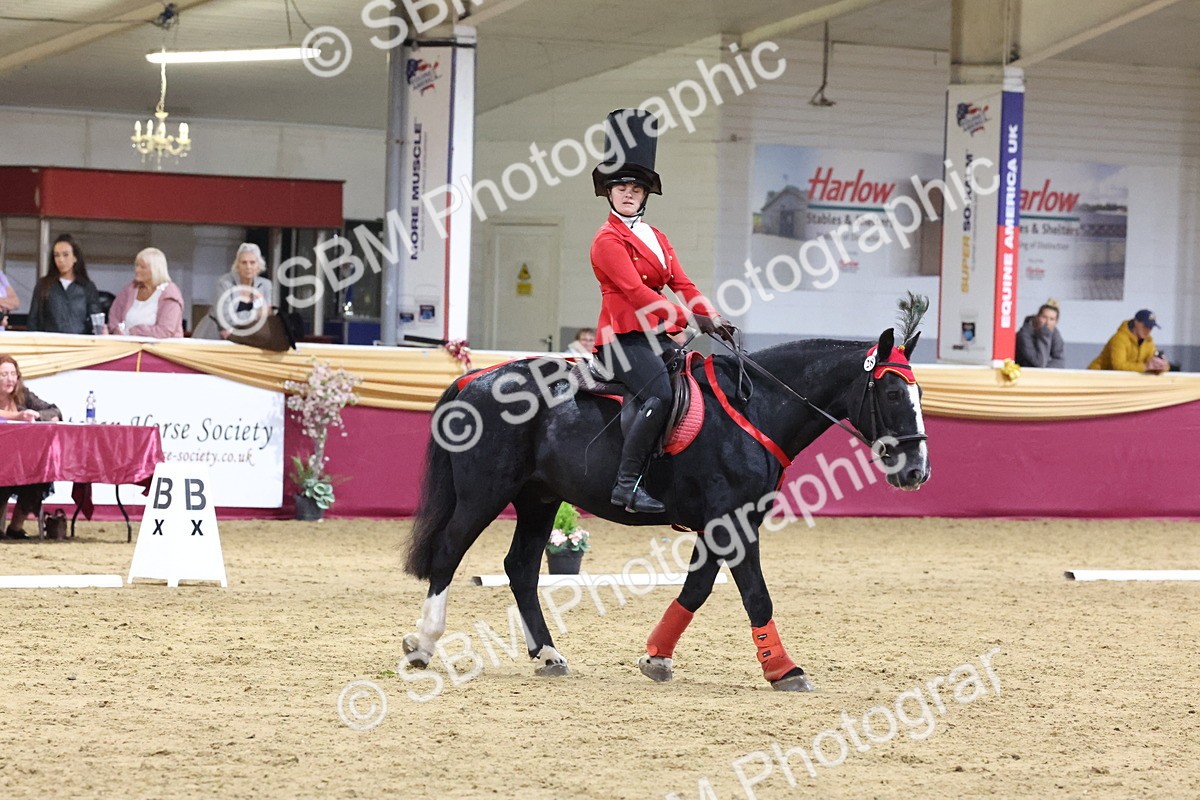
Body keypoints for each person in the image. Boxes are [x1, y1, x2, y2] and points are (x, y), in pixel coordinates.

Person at [589, 108, 734, 514]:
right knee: (658, 394)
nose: (628, 193)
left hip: (652, 336)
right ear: (609, 193)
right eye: (620, 187)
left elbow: (682, 284)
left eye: (635, 187)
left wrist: (712, 316)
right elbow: (635, 292)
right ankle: (626, 485)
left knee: (701, 382)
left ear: (645, 194)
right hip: (620, 341)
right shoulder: (606, 240)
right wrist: (685, 319)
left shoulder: (658, 237)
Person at [0, 356, 62, 539]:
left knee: (38, 477)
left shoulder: (24, 395)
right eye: (4, 374)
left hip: (21, 459)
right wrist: (17, 416)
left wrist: (37, 415)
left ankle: (16, 528)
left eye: (13, 374)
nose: (10, 379)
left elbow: (55, 411)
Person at [28, 233, 103, 334]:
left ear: (75, 258)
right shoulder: (44, 285)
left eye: (66, 255)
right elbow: (33, 320)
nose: (61, 260)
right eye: (56, 255)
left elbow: (96, 319)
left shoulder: (87, 287)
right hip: (50, 344)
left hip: (80, 344)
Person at [194, 243, 273, 340]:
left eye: (252, 262)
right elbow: (226, 319)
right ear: (237, 265)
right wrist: (256, 314)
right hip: (214, 337)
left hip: (246, 338)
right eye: (244, 262)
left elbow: (266, 316)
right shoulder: (224, 283)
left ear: (259, 266)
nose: (248, 267)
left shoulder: (265, 285)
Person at [106, 247, 185, 338]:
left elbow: (165, 331)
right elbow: (114, 317)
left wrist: (133, 331)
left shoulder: (170, 294)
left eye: (142, 267)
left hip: (160, 349)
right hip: (127, 347)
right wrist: (117, 331)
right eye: (136, 266)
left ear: (155, 270)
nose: (137, 270)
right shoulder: (130, 289)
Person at [1089, 309, 1170, 373]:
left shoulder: (1149, 342)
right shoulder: (1119, 338)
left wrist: (1162, 366)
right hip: (1097, 376)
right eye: (1145, 326)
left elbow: (1151, 363)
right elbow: (1118, 366)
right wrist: (1145, 367)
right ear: (1136, 322)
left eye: (1151, 327)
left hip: (1119, 380)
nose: (1148, 330)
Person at [1015, 300, 1065, 368]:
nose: (1047, 322)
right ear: (1037, 317)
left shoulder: (1054, 332)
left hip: (1042, 375)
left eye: (1052, 319)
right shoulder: (1024, 334)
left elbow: (1060, 362)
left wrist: (1047, 368)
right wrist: (1044, 335)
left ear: (1056, 322)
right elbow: (1039, 363)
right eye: (1044, 317)